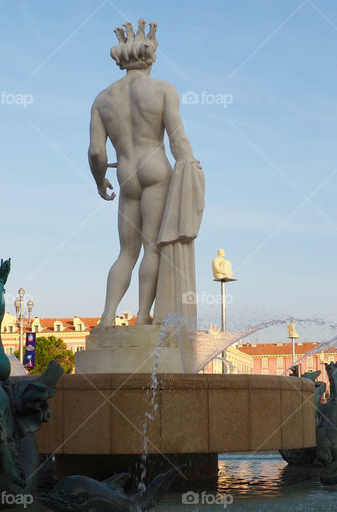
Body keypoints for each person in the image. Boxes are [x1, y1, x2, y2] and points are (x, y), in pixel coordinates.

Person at [89, 19, 203, 326]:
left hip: (126, 176)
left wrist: (101, 181)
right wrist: (190, 168)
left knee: (126, 252)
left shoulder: (102, 99)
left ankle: (108, 316)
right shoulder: (163, 90)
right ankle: (142, 317)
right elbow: (177, 138)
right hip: (155, 171)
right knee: (152, 247)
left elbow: (96, 152)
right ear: (150, 59)